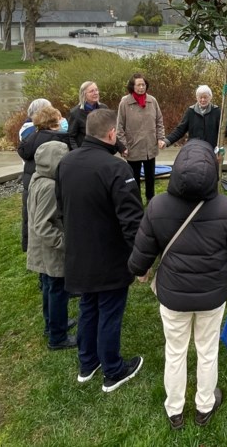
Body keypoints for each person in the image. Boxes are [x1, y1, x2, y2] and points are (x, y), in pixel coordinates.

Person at [128, 140, 227, 430]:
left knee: (176, 350)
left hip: (174, 296)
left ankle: (175, 410)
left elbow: (140, 257)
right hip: (212, 295)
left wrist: (139, 270)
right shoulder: (225, 206)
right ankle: (204, 405)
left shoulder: (158, 205)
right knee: (207, 351)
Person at [56, 108, 145, 393]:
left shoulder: (66, 163)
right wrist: (141, 260)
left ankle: (87, 363)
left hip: (77, 255)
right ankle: (113, 370)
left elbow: (60, 209)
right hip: (109, 257)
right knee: (108, 311)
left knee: (88, 306)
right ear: (110, 134)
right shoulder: (116, 168)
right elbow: (132, 221)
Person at [27, 140, 75, 350]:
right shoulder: (49, 187)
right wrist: (65, 243)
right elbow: (43, 225)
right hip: (51, 250)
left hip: (42, 248)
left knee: (48, 286)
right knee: (57, 290)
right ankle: (58, 337)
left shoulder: (38, 177)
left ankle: (53, 325)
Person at [18, 104, 69, 252]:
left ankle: (29, 246)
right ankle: (57, 244)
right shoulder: (58, 139)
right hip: (50, 182)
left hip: (32, 182)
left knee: (31, 215)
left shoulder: (30, 138)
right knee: (51, 218)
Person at [117, 73, 166, 202]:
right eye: (138, 85)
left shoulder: (152, 101)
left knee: (150, 176)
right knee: (134, 178)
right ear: (132, 86)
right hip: (133, 148)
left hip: (150, 147)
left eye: (143, 84)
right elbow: (119, 127)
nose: (141, 87)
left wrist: (161, 138)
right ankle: (136, 201)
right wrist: (123, 146)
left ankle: (151, 199)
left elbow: (159, 121)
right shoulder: (125, 103)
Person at [163, 85, 222, 151]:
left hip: (211, 150)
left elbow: (223, 130)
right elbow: (180, 130)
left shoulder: (216, 111)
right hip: (194, 150)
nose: (203, 100)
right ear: (197, 98)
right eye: (200, 97)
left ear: (210, 97)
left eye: (205, 97)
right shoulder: (191, 111)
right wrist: (167, 141)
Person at [67, 81, 104, 150]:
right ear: (84, 95)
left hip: (103, 150)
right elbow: (71, 137)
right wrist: (77, 153)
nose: (95, 93)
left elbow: (111, 129)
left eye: (96, 90)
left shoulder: (104, 108)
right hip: (85, 151)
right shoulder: (75, 113)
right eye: (91, 91)